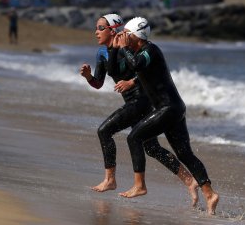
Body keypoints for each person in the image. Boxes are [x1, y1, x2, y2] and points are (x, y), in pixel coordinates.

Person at [80, 14, 199, 207]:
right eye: (96, 28)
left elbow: (145, 68)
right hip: (132, 102)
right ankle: (189, 181)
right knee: (151, 148)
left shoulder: (128, 48)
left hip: (142, 100)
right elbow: (99, 83)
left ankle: (111, 180)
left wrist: (131, 81)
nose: (96, 32)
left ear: (114, 30)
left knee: (105, 130)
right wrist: (88, 77)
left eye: (101, 28)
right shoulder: (102, 53)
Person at [115, 17, 219, 215]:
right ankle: (210, 194)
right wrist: (133, 82)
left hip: (168, 108)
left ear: (136, 36)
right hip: (174, 108)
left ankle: (140, 186)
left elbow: (137, 64)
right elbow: (149, 71)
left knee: (134, 137)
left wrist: (123, 49)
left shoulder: (149, 50)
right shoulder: (145, 52)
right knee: (184, 154)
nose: (123, 37)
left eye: (126, 34)